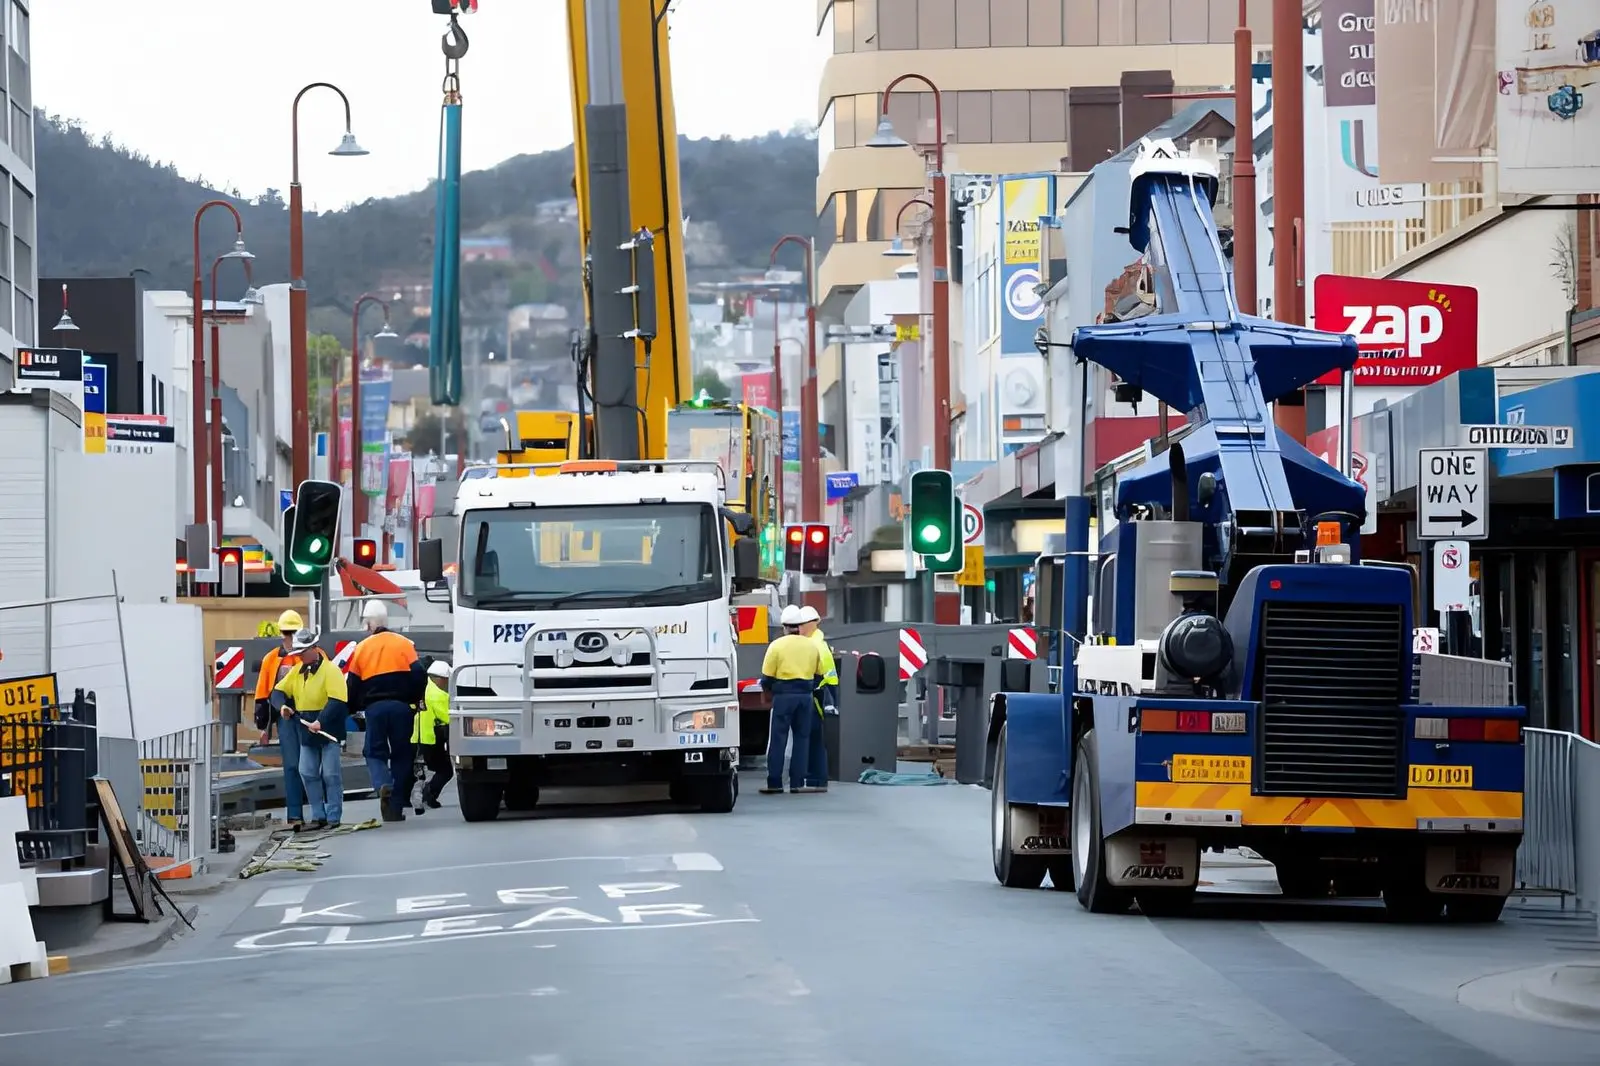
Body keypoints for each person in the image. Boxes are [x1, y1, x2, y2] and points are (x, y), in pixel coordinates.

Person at [346, 598, 427, 822]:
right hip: (402, 708)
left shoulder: (361, 648)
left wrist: (352, 708)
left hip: (375, 709)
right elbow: (419, 674)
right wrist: (414, 699)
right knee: (402, 755)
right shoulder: (403, 644)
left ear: (369, 624)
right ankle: (395, 807)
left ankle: (383, 783)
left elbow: (352, 684)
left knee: (373, 752)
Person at [270, 630, 351, 831]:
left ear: (314, 649)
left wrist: (320, 722)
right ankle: (318, 815)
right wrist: (282, 706)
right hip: (306, 729)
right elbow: (277, 692)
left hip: (328, 729)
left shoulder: (331, 671)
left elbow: (337, 701)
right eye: (297, 653)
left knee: (330, 775)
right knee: (307, 772)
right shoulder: (297, 671)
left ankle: (333, 816)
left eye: (302, 652)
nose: (299, 657)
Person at [758, 604, 825, 795]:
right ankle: (797, 783)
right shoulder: (811, 646)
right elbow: (819, 675)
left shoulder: (776, 646)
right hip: (805, 697)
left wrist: (768, 694)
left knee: (778, 739)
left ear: (785, 626)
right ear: (799, 626)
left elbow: (767, 678)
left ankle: (775, 783)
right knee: (802, 739)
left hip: (783, 697)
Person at [254, 609, 306, 829]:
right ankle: (295, 815)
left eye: (293, 632)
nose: (290, 637)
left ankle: (324, 813)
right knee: (293, 766)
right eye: (287, 632)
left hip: (311, 715)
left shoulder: (315, 653)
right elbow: (263, 692)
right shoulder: (272, 659)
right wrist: (263, 724)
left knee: (315, 767)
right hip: (285, 717)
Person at [796, 605, 838, 792]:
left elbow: (819, 674)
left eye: (801, 625)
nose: (799, 628)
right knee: (815, 738)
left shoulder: (815, 645)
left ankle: (816, 778)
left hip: (817, 695)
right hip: (821, 694)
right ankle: (816, 778)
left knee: (814, 738)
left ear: (811, 624)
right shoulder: (817, 642)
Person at [411, 660, 454, 813]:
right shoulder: (438, 695)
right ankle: (429, 795)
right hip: (431, 739)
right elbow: (449, 718)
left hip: (417, 738)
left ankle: (419, 795)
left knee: (422, 771)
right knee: (446, 771)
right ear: (441, 678)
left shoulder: (422, 689)